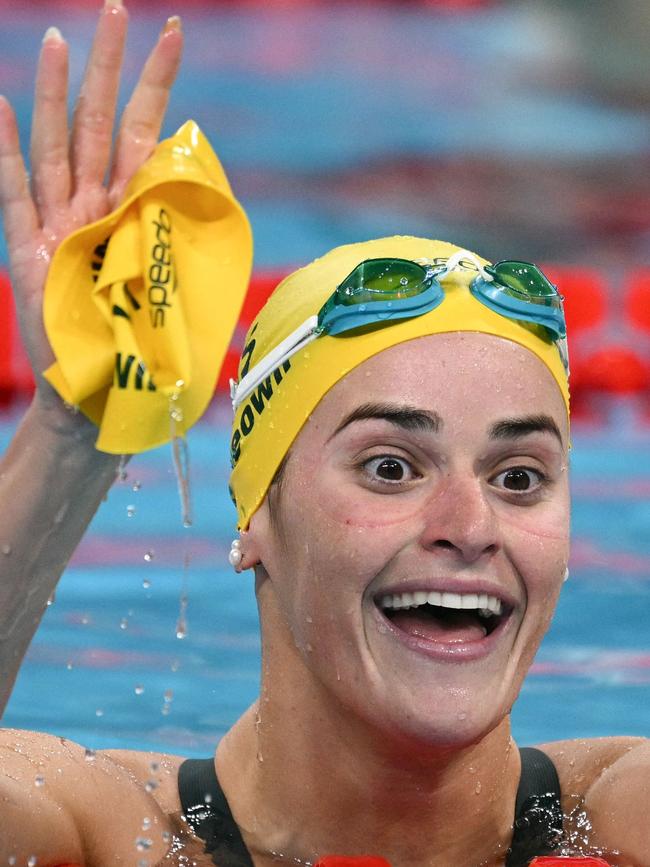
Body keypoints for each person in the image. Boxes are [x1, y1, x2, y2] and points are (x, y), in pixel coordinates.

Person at [0, 3, 648, 866]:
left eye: (519, 476)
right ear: (258, 514)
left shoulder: (617, 820)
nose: (470, 522)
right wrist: (73, 434)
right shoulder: (110, 831)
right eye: (390, 466)